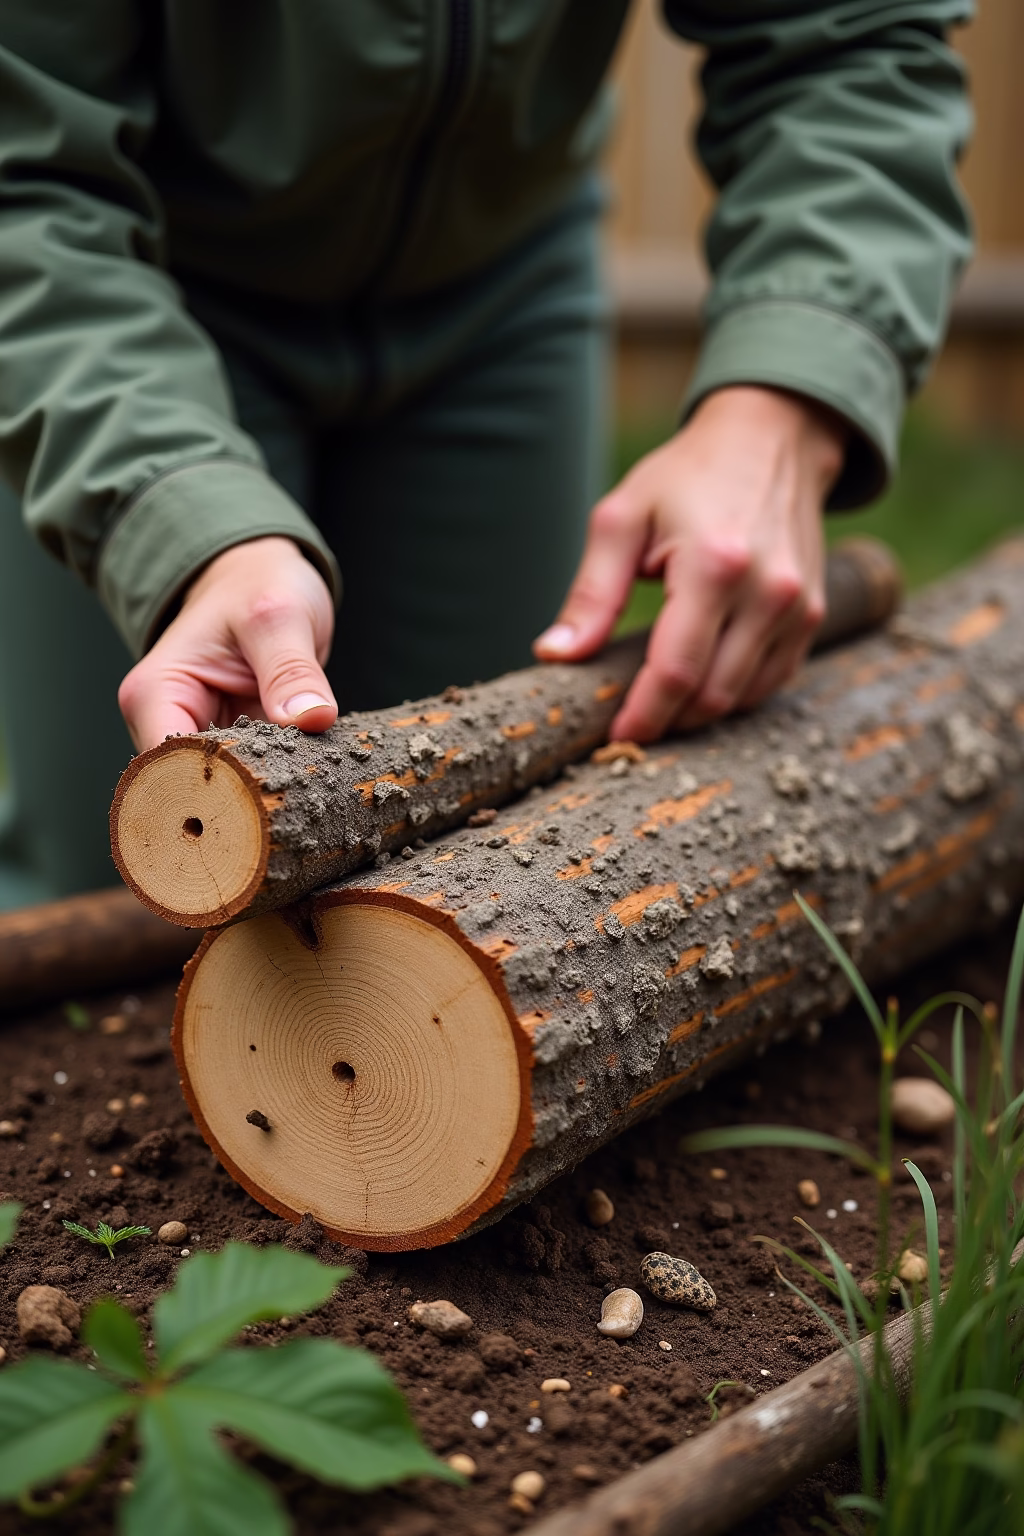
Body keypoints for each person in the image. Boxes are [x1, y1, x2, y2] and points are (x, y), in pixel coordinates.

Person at [0, 2, 972, 902]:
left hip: (501, 285)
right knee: (130, 879)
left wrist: (781, 402)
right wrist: (182, 517)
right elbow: (23, 173)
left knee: (487, 874)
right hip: (125, 294)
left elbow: (851, 38)